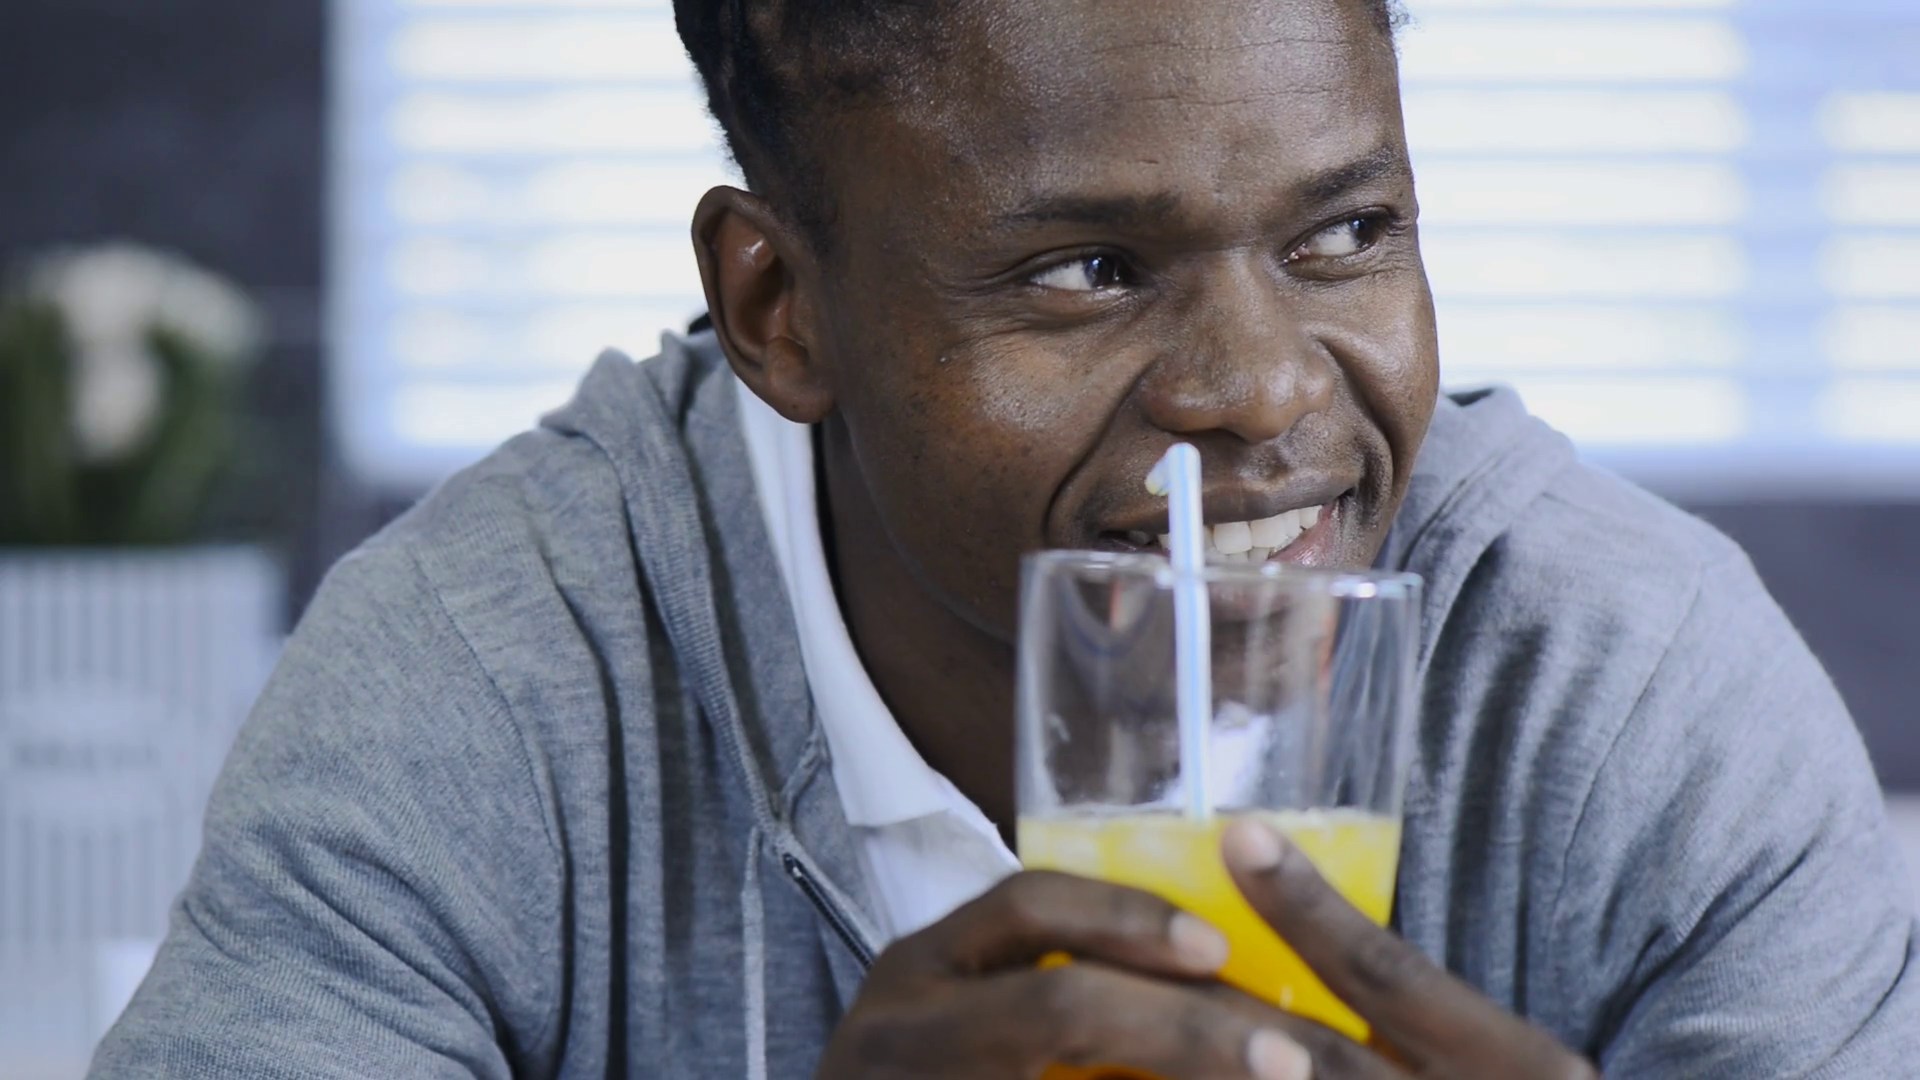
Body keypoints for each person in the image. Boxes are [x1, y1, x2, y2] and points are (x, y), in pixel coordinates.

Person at [91, 0, 1919, 1076]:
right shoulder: (483, 682)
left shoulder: (1631, 687)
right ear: (779, 307)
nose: (1265, 393)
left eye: (1345, 235)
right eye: (1087, 270)